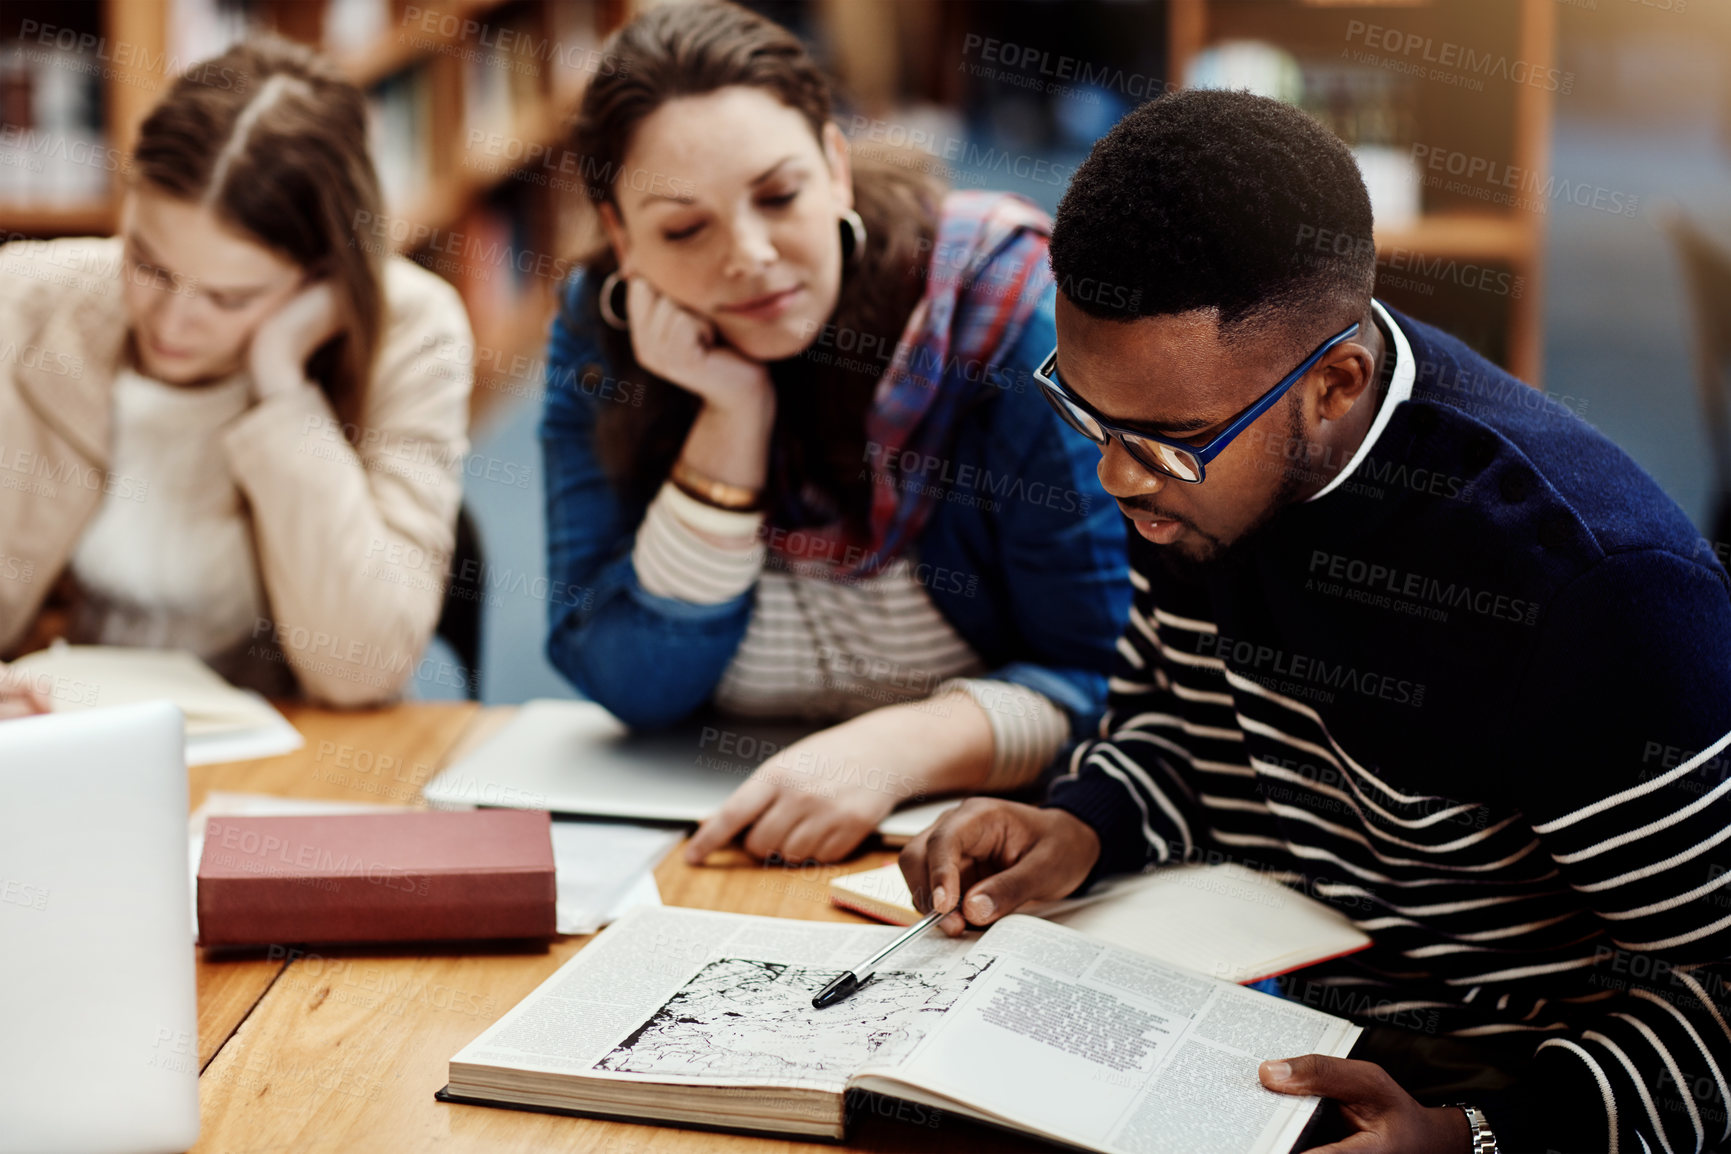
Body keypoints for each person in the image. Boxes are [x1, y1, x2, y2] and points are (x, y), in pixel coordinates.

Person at [901, 89, 1731, 1154]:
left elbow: (1713, 996)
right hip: (1256, 1022)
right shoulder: (1197, 468)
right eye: (1087, 410)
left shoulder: (1596, 592)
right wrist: (1087, 821)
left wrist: (1473, 1133)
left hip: (1510, 1087)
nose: (1115, 473)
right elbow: (1180, 726)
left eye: (1162, 437)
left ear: (1335, 383)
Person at [540, 1, 1128, 865]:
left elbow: (1105, 681)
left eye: (778, 196)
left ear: (836, 169)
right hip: (717, 840)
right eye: (683, 228)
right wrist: (729, 419)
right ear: (620, 235)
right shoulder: (604, 333)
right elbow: (628, 678)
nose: (748, 255)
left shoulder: (1003, 325)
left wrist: (895, 749)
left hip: (948, 849)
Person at [0, 36, 474, 708]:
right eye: (148, 265)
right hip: (60, 741)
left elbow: (360, 669)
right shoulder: (21, 304)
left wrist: (283, 384)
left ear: (324, 277)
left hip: (294, 755)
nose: (169, 322)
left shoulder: (412, 335)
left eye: (229, 298)